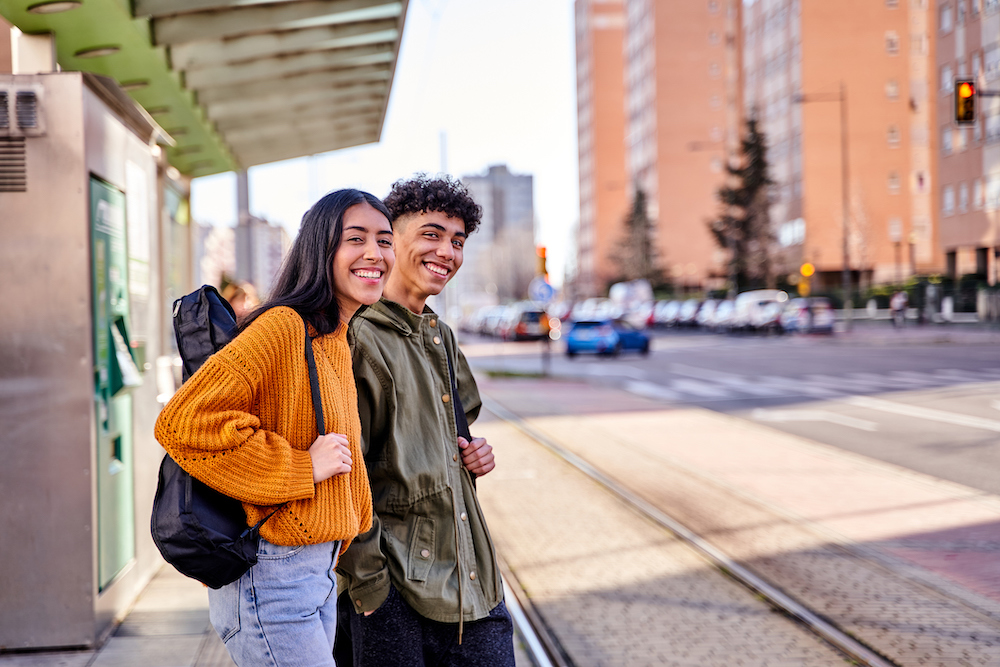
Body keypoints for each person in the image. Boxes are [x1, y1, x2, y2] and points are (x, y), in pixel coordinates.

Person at [154, 189, 395, 667]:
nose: (375, 253)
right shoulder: (284, 326)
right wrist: (302, 466)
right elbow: (185, 421)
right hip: (274, 575)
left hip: (314, 570)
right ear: (321, 249)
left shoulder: (335, 339)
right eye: (356, 238)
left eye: (385, 240)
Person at [338, 175, 515, 666]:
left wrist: (473, 453)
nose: (448, 252)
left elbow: (450, 437)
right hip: (394, 590)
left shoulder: (441, 336)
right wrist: (372, 588)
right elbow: (345, 474)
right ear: (391, 240)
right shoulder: (359, 339)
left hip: (471, 579)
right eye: (432, 234)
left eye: (457, 241)